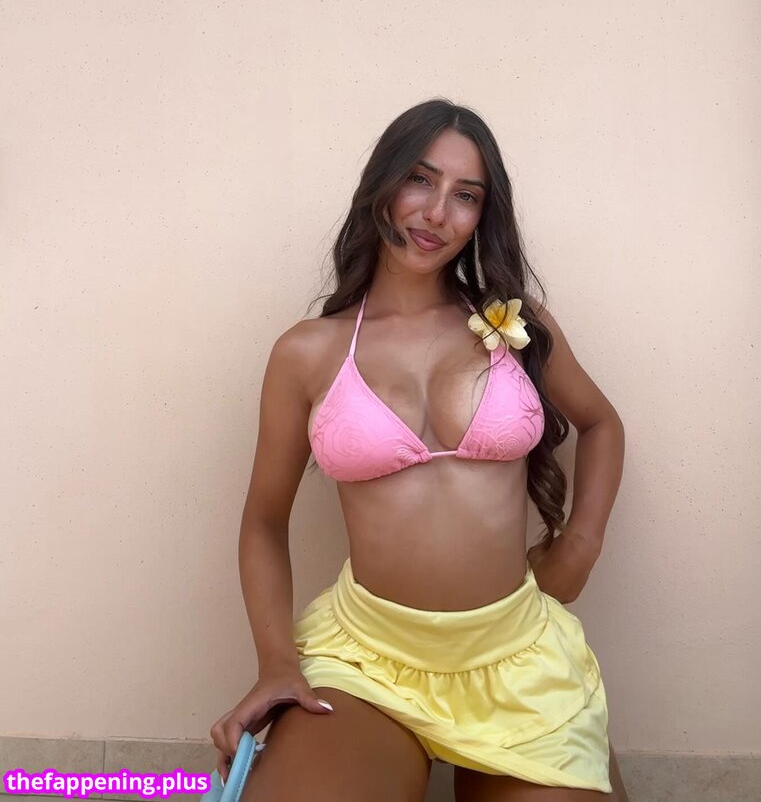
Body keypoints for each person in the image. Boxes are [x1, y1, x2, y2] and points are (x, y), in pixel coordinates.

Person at [210, 99, 628, 801]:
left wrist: (580, 546)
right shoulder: (307, 353)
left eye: (466, 195)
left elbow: (602, 423)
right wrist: (276, 662)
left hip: (515, 656)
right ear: (383, 183)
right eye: (420, 180)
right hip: (366, 659)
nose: (437, 212)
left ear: (482, 216)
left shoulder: (514, 323)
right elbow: (262, 521)